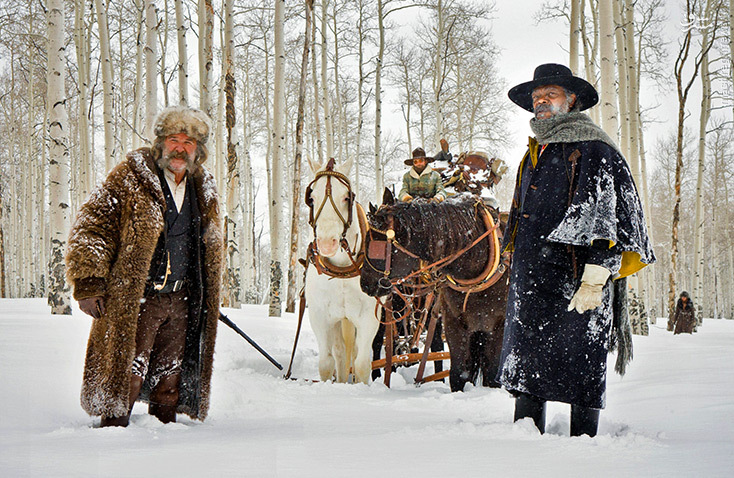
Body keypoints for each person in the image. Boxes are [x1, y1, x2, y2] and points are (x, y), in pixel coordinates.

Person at [496, 64, 655, 437]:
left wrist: (596, 276)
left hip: (576, 279)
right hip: (532, 279)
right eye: (536, 97)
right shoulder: (534, 152)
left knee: (579, 361)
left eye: (549, 94)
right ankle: (524, 437)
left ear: (572, 100)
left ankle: (584, 444)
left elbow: (606, 216)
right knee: (529, 364)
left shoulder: (593, 148)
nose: (541, 102)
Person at [66, 106, 223, 427]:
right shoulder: (130, 177)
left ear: (199, 149)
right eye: (173, 139)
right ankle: (111, 442)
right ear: (160, 143)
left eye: (189, 142)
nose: (180, 148)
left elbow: (206, 246)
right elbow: (91, 227)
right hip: (135, 299)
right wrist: (89, 282)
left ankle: (164, 445)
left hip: (181, 301)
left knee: (170, 378)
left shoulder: (202, 189)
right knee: (126, 376)